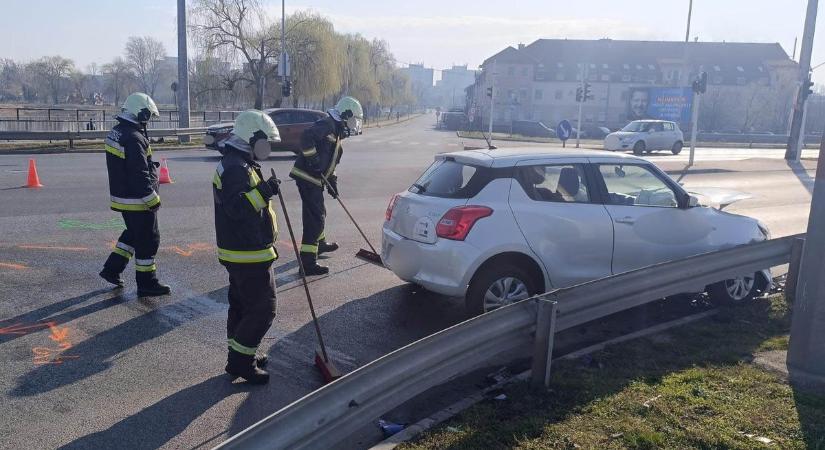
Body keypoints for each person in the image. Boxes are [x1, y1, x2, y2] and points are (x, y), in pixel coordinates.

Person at [213, 110, 282, 384]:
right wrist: (265, 191)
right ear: (252, 138)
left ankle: (239, 353)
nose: (268, 148)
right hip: (248, 253)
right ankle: (242, 362)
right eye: (266, 141)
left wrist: (263, 190)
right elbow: (237, 208)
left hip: (241, 250)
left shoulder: (238, 161)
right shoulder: (235, 168)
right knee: (264, 308)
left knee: (242, 306)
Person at [99, 92, 171, 297]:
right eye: (148, 115)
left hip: (124, 198)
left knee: (133, 234)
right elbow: (138, 173)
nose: (148, 120)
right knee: (149, 239)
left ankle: (112, 269)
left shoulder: (118, 132)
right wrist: (152, 199)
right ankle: (147, 283)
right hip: (138, 200)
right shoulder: (133, 137)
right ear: (141, 113)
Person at [289, 96, 363, 276]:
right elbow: (306, 138)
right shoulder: (328, 124)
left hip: (316, 179)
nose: (355, 123)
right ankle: (307, 263)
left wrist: (332, 183)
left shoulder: (336, 130)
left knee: (320, 212)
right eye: (354, 119)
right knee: (315, 219)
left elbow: (330, 163)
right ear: (346, 114)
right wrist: (312, 159)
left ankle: (320, 244)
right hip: (307, 177)